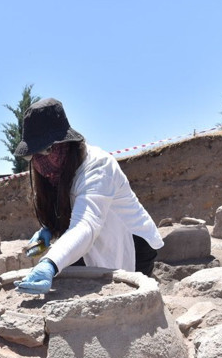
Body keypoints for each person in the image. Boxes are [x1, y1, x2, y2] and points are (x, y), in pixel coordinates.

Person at [14, 98, 164, 294]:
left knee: (122, 306)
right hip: (94, 241)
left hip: (133, 243)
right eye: (33, 155)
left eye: (47, 150)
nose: (41, 162)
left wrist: (49, 263)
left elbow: (86, 224)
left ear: (65, 144)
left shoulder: (98, 166)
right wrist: (49, 229)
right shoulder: (58, 172)